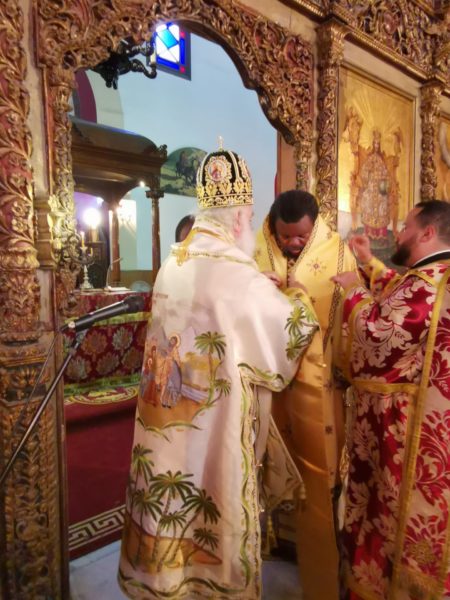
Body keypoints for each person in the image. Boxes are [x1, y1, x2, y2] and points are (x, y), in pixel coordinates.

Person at [118, 148, 319, 599]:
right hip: (212, 421)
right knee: (210, 485)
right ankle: (212, 586)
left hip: (165, 418)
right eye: (247, 216)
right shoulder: (235, 272)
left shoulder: (175, 261)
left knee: (171, 482)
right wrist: (299, 297)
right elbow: (290, 333)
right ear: (238, 218)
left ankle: (166, 578)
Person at [332, 199, 450, 599]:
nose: (398, 232)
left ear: (427, 233)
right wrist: (368, 263)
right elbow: (400, 299)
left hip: (404, 432)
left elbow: (378, 337)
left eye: (405, 226)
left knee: (387, 521)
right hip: (436, 426)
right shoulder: (434, 278)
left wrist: (353, 291)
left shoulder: (427, 284)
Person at [254, 189, 357, 600]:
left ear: (315, 227)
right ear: (272, 227)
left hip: (319, 390)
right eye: (285, 236)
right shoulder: (254, 254)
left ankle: (322, 573)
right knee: (267, 470)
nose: (293, 243)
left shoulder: (340, 256)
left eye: (301, 236)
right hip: (269, 390)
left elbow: (348, 320)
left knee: (317, 480)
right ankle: (274, 545)